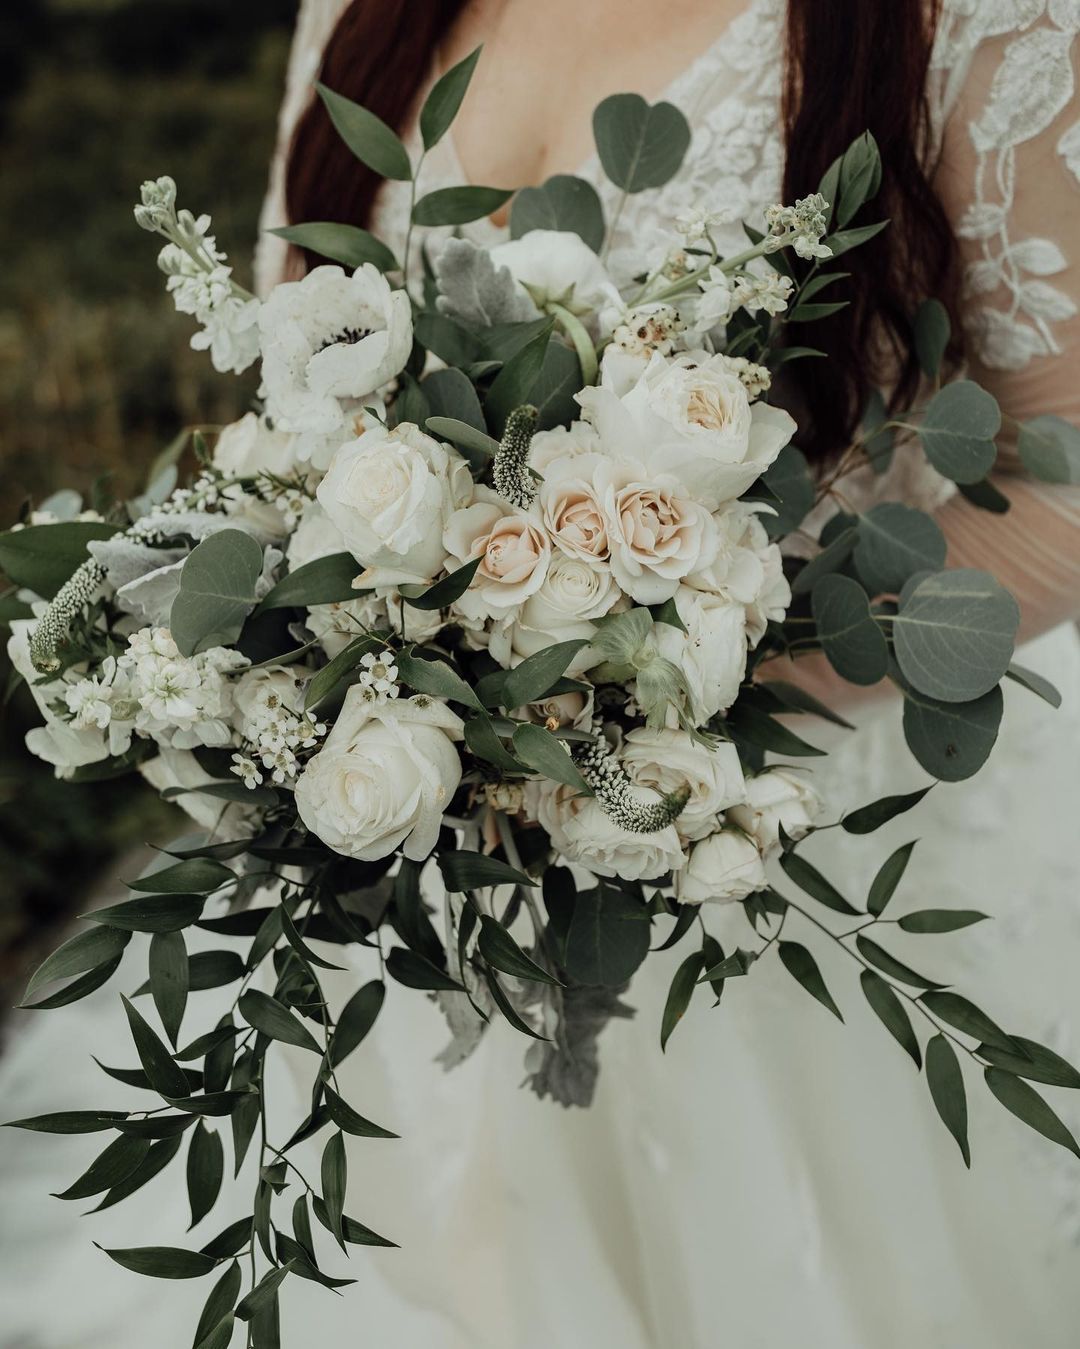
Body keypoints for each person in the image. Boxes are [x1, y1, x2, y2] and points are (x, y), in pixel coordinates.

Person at [2, 3, 1078, 1345]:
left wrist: (677, 697)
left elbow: (1062, 474)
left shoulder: (963, 26)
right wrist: (361, 665)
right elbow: (293, 371)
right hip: (420, 853)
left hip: (779, 842)